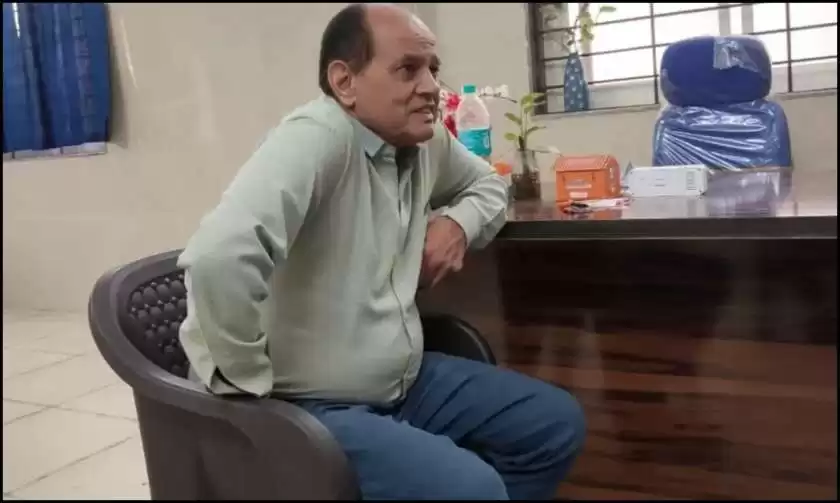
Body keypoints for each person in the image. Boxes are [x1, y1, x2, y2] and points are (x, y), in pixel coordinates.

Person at [178, 3, 585, 500]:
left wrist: (457, 224)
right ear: (344, 82)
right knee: (473, 489)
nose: (432, 87)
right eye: (407, 69)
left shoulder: (425, 142)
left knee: (553, 426)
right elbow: (218, 258)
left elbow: (489, 186)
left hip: (400, 383)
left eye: (432, 69)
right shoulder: (317, 139)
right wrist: (249, 391)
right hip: (308, 401)